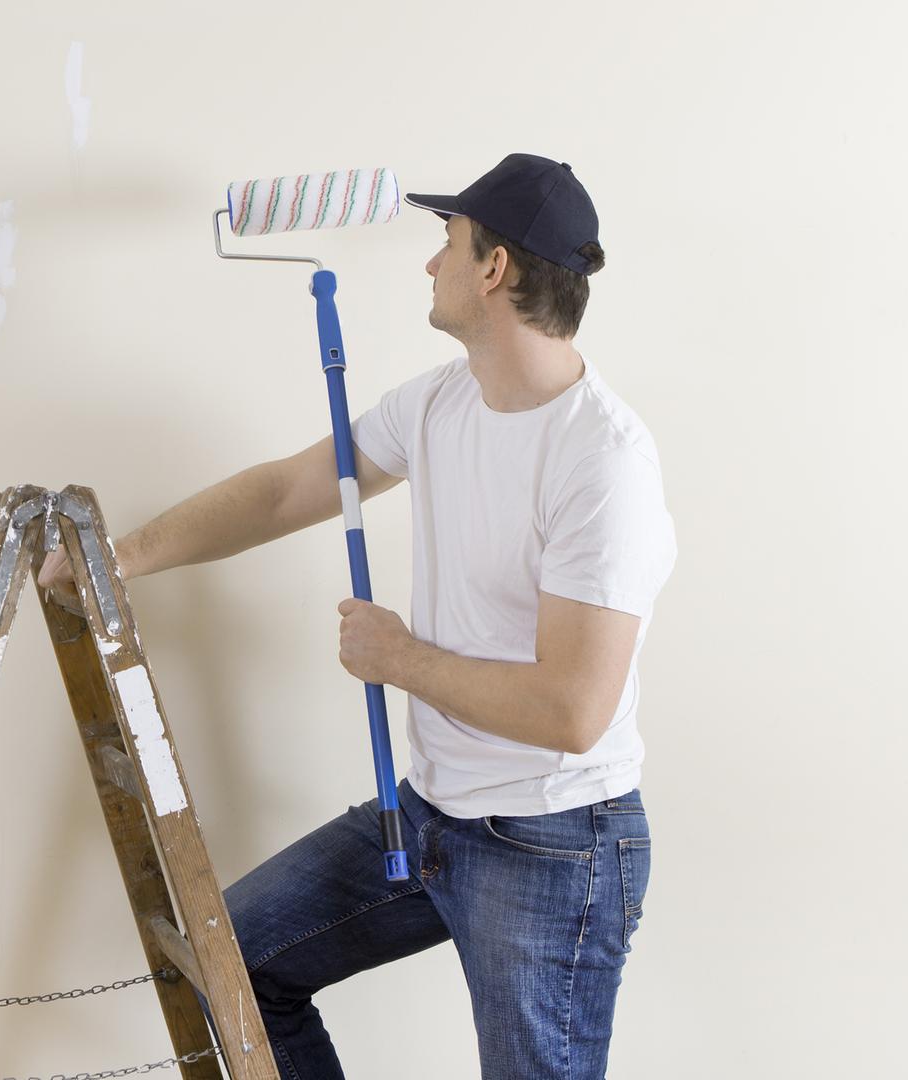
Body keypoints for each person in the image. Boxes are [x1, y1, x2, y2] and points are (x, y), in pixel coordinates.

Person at [36, 154, 677, 1079]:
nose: (430, 265)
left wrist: (401, 659)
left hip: (553, 847)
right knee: (238, 963)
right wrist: (122, 559)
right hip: (430, 817)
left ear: (495, 268)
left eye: (447, 244)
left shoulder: (601, 462)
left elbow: (571, 713)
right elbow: (286, 490)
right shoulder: (440, 403)